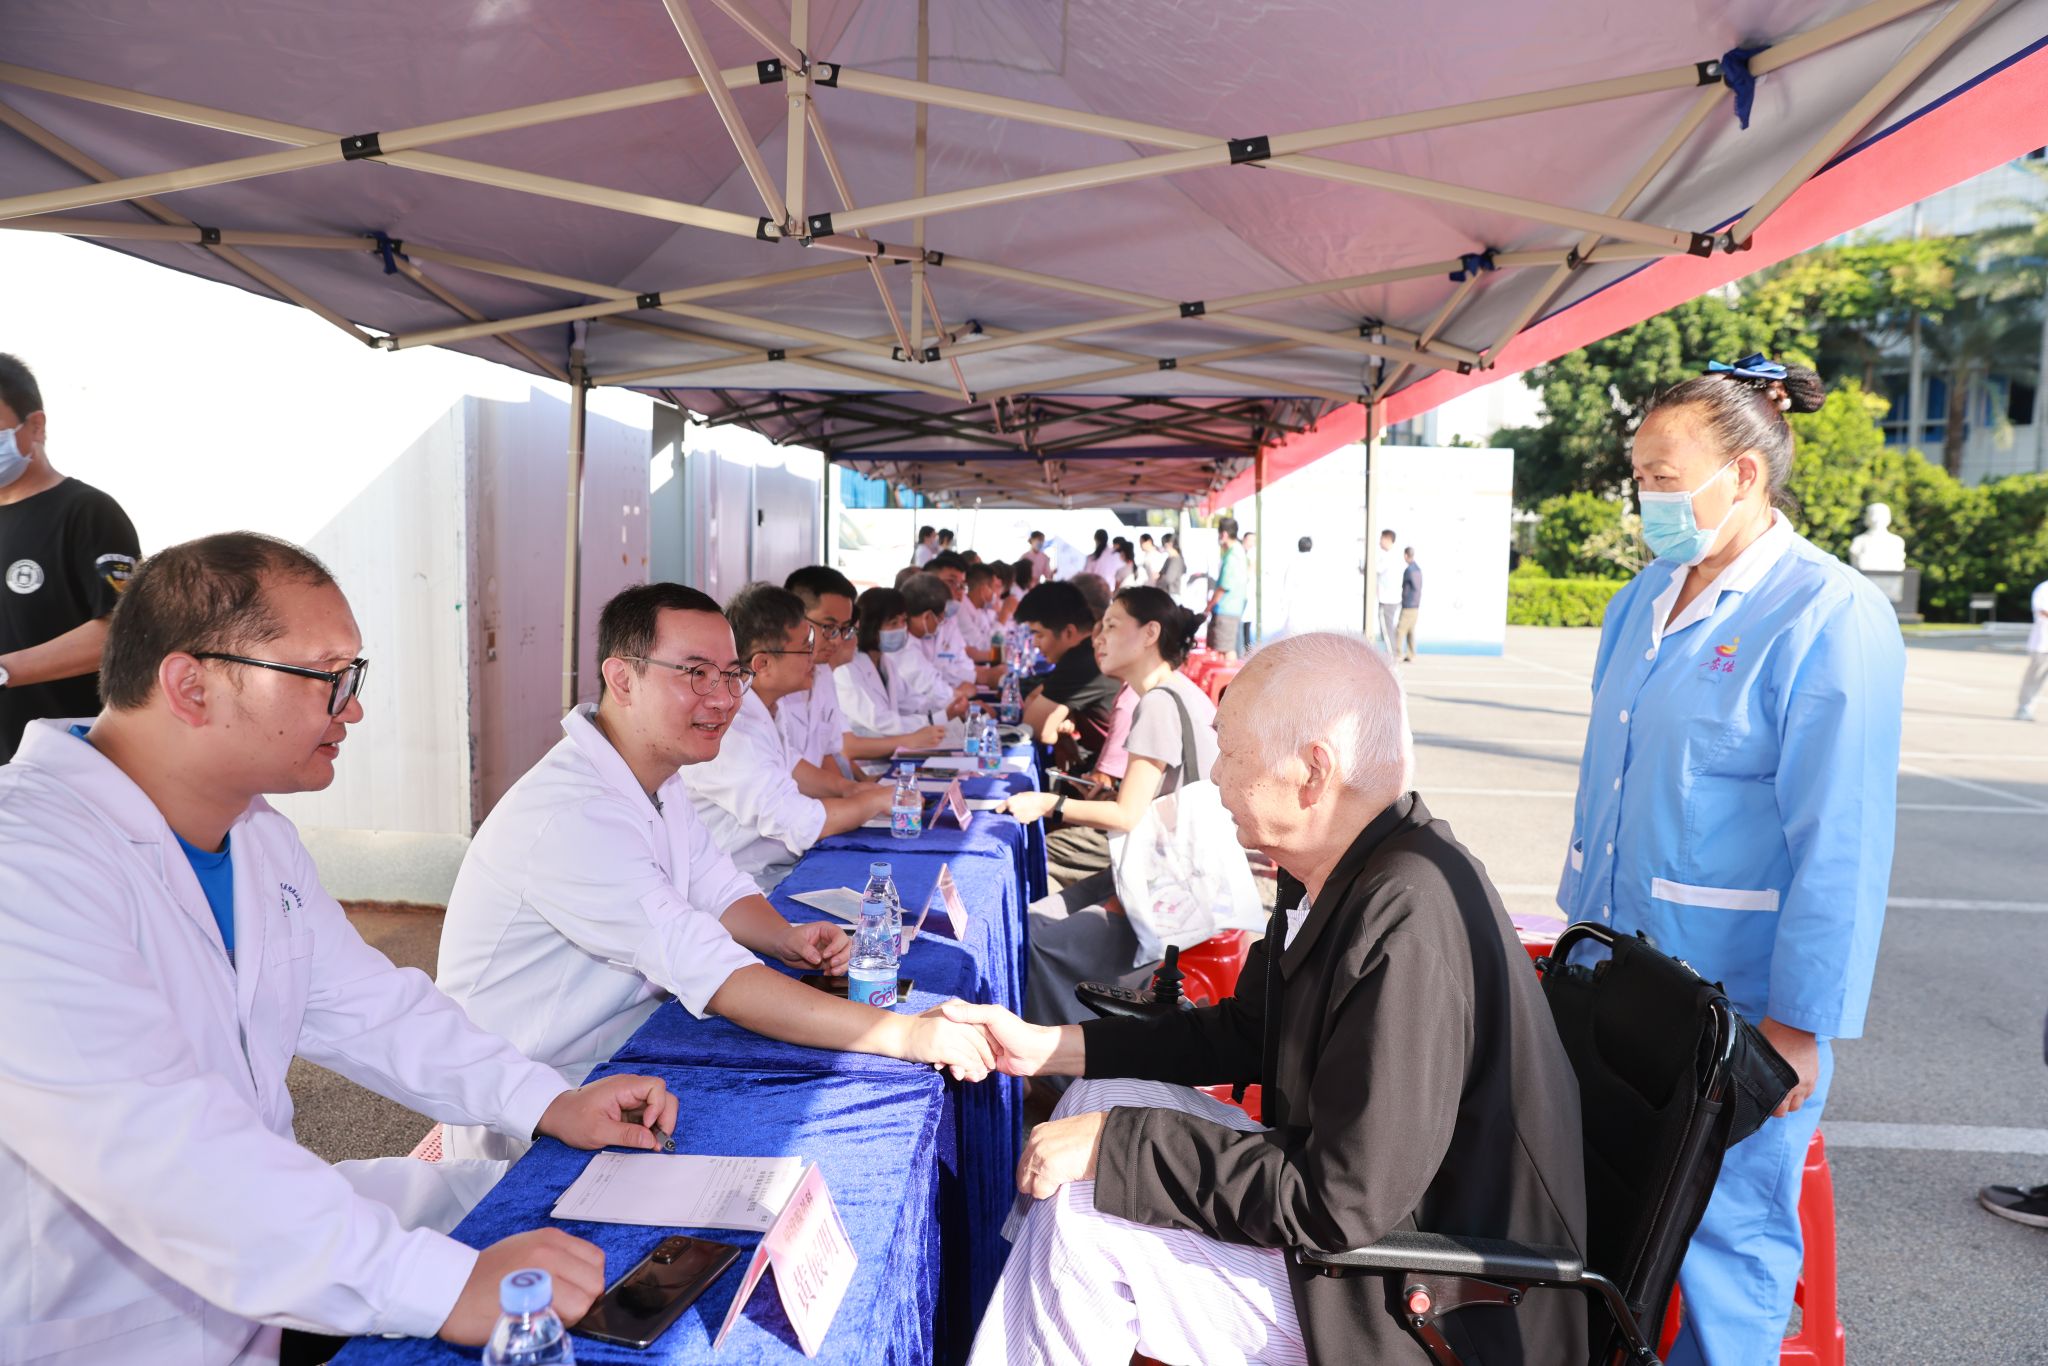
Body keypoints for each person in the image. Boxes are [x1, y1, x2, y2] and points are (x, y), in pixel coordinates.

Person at [0, 532, 686, 1360]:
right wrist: (445, 1287)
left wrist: (547, 1102)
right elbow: (158, 1147)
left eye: (351, 675)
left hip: (259, 1267)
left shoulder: (256, 836)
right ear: (191, 685)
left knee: (576, 1218)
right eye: (325, 675)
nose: (351, 708)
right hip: (97, 1322)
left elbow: (374, 1009)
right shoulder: (26, 864)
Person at [943, 632, 1588, 1365]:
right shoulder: (1339, 867)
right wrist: (1052, 1047)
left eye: (1231, 751)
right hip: (1370, 1229)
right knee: (1096, 1098)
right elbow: (1248, 1031)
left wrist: (1116, 1147)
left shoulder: (1409, 917)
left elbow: (1341, 1200)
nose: (1216, 776)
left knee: (1088, 1217)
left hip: (1440, 1301)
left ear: (1313, 771)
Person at [1556, 357, 1904, 1365]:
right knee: (1613, 1224)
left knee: (1724, 1250)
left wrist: (1799, 1024)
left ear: (1743, 474)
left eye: (1665, 478)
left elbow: (1840, 841)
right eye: (1640, 478)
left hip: (1737, 1003)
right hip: (1617, 974)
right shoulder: (1640, 601)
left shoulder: (1826, 614)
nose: (1647, 500)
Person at [437, 583, 991, 1155]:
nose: (724, 699)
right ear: (622, 679)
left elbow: (715, 883)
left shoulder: (654, 773)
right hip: (537, 1104)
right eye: (696, 674)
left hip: (626, 1055)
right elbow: (710, 967)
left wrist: (785, 937)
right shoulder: (574, 813)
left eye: (731, 675)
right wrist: (904, 1034)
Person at [999, 588, 1226, 1029]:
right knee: (1030, 923)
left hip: (1169, 892)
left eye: (1112, 626)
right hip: (1161, 872)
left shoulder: (1157, 702)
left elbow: (1127, 814)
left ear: (1150, 634)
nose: (1098, 638)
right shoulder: (1176, 691)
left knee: (1034, 943)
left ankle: (1059, 1060)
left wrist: (1049, 803)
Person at [678, 584, 898, 885]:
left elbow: (790, 764)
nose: (814, 657)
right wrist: (874, 802)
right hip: (743, 885)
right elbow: (798, 821)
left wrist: (850, 789)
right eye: (805, 648)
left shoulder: (766, 707)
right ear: (763, 664)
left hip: (775, 869)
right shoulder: (733, 728)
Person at [0, 352, 143, 762]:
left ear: (35, 425)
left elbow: (126, 631)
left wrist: (5, 670)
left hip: (71, 764)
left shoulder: (86, 512)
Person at [785, 565, 941, 771]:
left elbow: (829, 753)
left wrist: (860, 786)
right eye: (829, 627)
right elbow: (848, 747)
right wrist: (912, 738)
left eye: (845, 629)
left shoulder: (823, 674)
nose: (838, 639)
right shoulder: (776, 687)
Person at [1016, 581, 1123, 779]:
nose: (1036, 644)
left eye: (1039, 634)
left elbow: (1035, 726)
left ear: (1069, 632)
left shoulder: (1083, 659)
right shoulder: (1084, 654)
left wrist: (1057, 732)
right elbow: (1034, 701)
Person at [837, 585, 963, 737]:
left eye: (903, 621)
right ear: (871, 626)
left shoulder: (885, 663)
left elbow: (913, 703)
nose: (901, 628)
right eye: (893, 623)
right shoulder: (847, 668)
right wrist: (935, 719)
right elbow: (880, 721)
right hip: (867, 748)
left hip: (892, 745)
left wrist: (952, 706)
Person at [1205, 517, 1248, 660]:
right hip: (1232, 608)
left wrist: (1210, 606)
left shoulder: (1233, 555)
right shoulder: (1237, 551)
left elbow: (1224, 586)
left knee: (1225, 650)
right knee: (1227, 648)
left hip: (1226, 609)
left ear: (1223, 534)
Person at [2017, 575, 2048, 720]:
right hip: (2043, 643)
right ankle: (2024, 707)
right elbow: (2042, 610)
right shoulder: (2044, 588)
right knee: (2035, 677)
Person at [1374, 528, 1402, 654]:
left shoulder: (1388, 556)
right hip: (1392, 598)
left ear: (1388, 539)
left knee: (1385, 629)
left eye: (1381, 539)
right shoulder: (1395, 556)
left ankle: (1392, 655)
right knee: (1389, 628)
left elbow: (1376, 569)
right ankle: (1393, 653)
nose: (1380, 542)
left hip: (1387, 599)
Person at [1398, 545, 1423, 662]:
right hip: (1415, 605)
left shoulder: (1409, 570)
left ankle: (1397, 653)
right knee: (1411, 630)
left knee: (1400, 630)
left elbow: (1408, 588)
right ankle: (1411, 654)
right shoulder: (1418, 569)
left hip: (1408, 604)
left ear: (1406, 555)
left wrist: (1405, 600)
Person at [1156, 532, 1185, 598]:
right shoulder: (1171, 558)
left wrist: (1159, 579)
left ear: (1169, 544)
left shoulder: (1176, 560)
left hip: (1172, 593)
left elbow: (1169, 579)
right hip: (1168, 593)